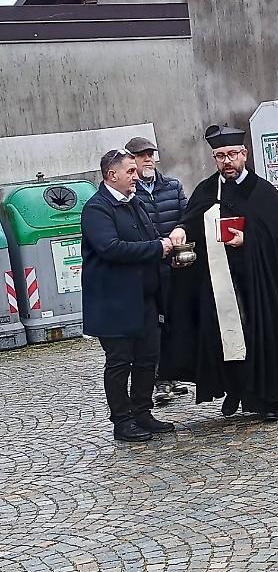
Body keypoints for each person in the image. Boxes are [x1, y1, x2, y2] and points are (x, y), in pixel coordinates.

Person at [162, 125, 278, 420]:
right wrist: (180, 229)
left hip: (258, 281)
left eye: (232, 155)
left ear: (244, 155)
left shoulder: (263, 192)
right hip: (218, 280)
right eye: (220, 156)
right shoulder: (207, 189)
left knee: (257, 334)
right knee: (222, 336)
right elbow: (192, 218)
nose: (227, 161)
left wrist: (247, 239)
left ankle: (267, 398)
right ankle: (234, 389)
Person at [80, 149, 176, 442]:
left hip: (144, 298)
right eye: (130, 171)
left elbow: (148, 238)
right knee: (120, 362)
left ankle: (142, 412)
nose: (136, 176)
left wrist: (168, 253)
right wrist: (158, 248)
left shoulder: (134, 203)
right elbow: (110, 248)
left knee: (148, 357)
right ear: (113, 175)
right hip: (113, 302)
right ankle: (122, 421)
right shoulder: (97, 209)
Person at [125, 135, 189, 404]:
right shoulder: (129, 193)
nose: (148, 159)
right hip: (149, 267)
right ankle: (158, 380)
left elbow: (187, 216)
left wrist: (181, 230)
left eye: (150, 154)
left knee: (176, 321)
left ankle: (173, 374)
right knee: (155, 325)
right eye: (141, 156)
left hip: (176, 264)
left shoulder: (172, 186)